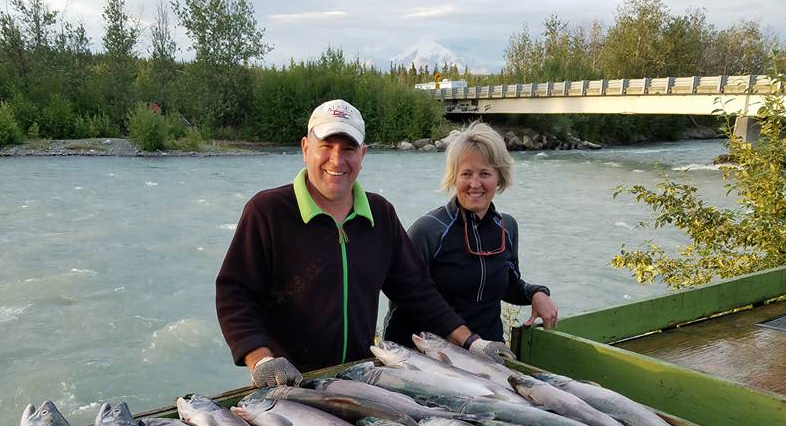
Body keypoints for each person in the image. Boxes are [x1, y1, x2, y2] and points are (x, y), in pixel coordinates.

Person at [215, 99, 514, 387]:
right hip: (287, 380)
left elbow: (417, 293)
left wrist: (472, 342)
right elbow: (234, 293)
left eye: (348, 148)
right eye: (326, 147)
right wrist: (261, 359)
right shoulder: (268, 211)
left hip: (358, 377)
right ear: (305, 149)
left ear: (363, 154)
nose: (337, 159)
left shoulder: (380, 214)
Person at [384, 121, 558, 347]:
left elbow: (508, 283)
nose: (475, 184)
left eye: (485, 173)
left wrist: (536, 293)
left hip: (488, 351)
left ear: (499, 178)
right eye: (466, 174)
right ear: (453, 177)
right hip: (431, 355)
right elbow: (405, 298)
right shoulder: (429, 230)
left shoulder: (507, 227)